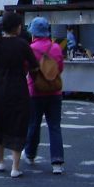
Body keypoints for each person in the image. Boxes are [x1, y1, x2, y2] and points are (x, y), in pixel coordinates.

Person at [0, 12, 38, 178]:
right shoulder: (22, 44)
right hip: (19, 89)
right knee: (18, 125)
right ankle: (15, 167)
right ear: (16, 27)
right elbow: (34, 67)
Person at [24, 17, 65, 175]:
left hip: (35, 91)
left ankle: (30, 154)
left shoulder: (31, 48)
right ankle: (57, 162)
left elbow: (25, 67)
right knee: (54, 126)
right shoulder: (55, 47)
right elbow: (60, 68)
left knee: (33, 124)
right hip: (55, 92)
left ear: (33, 33)